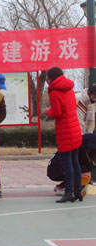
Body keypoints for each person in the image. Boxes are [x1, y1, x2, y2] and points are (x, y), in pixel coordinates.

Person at [45, 67, 83, 203]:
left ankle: (69, 193)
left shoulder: (54, 92)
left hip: (65, 131)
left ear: (51, 78)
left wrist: (48, 111)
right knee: (75, 162)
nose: (46, 80)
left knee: (67, 165)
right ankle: (78, 191)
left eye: (47, 77)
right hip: (75, 129)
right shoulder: (69, 88)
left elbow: (57, 113)